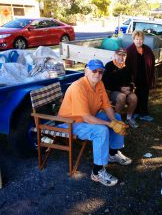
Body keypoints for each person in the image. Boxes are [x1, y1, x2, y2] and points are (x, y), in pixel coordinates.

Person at [58, 59, 132, 187]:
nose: (97, 74)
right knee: (101, 131)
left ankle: (113, 153)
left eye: (100, 71)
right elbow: (86, 118)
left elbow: (107, 106)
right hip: (70, 122)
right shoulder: (78, 87)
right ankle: (97, 172)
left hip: (89, 116)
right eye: (94, 70)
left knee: (118, 117)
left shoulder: (99, 84)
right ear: (86, 71)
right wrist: (109, 124)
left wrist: (114, 121)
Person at [103, 49, 139, 128]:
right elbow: (106, 83)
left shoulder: (128, 66)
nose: (121, 57)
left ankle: (129, 119)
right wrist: (120, 88)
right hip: (112, 91)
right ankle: (116, 120)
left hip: (124, 90)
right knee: (121, 97)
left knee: (134, 97)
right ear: (115, 55)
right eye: (119, 55)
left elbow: (131, 81)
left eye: (124, 55)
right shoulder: (109, 66)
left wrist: (129, 88)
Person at [125, 30, 155, 122]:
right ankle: (135, 113)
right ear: (133, 39)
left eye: (141, 39)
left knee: (144, 95)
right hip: (134, 78)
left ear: (143, 40)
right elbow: (126, 66)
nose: (139, 41)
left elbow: (152, 62)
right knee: (135, 95)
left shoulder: (147, 49)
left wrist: (152, 76)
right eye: (137, 39)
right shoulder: (129, 50)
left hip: (145, 75)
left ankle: (144, 113)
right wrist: (130, 80)